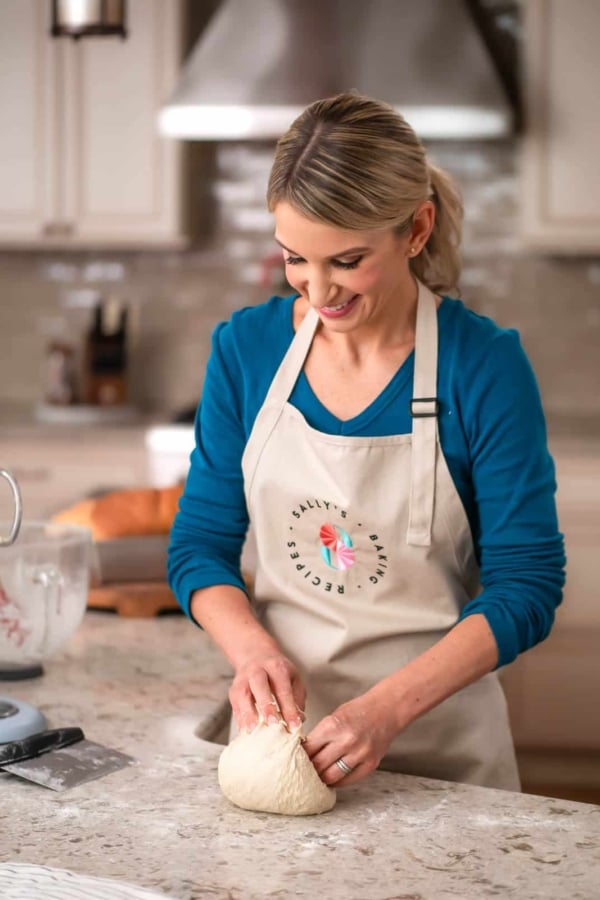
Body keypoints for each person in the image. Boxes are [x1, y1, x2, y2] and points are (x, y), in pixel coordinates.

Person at [168, 92, 565, 792]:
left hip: (447, 760)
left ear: (416, 229)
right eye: (295, 259)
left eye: (346, 261)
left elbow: (526, 586)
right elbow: (199, 546)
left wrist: (384, 712)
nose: (319, 292)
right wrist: (253, 651)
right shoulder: (246, 351)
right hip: (283, 751)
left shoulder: (483, 367)